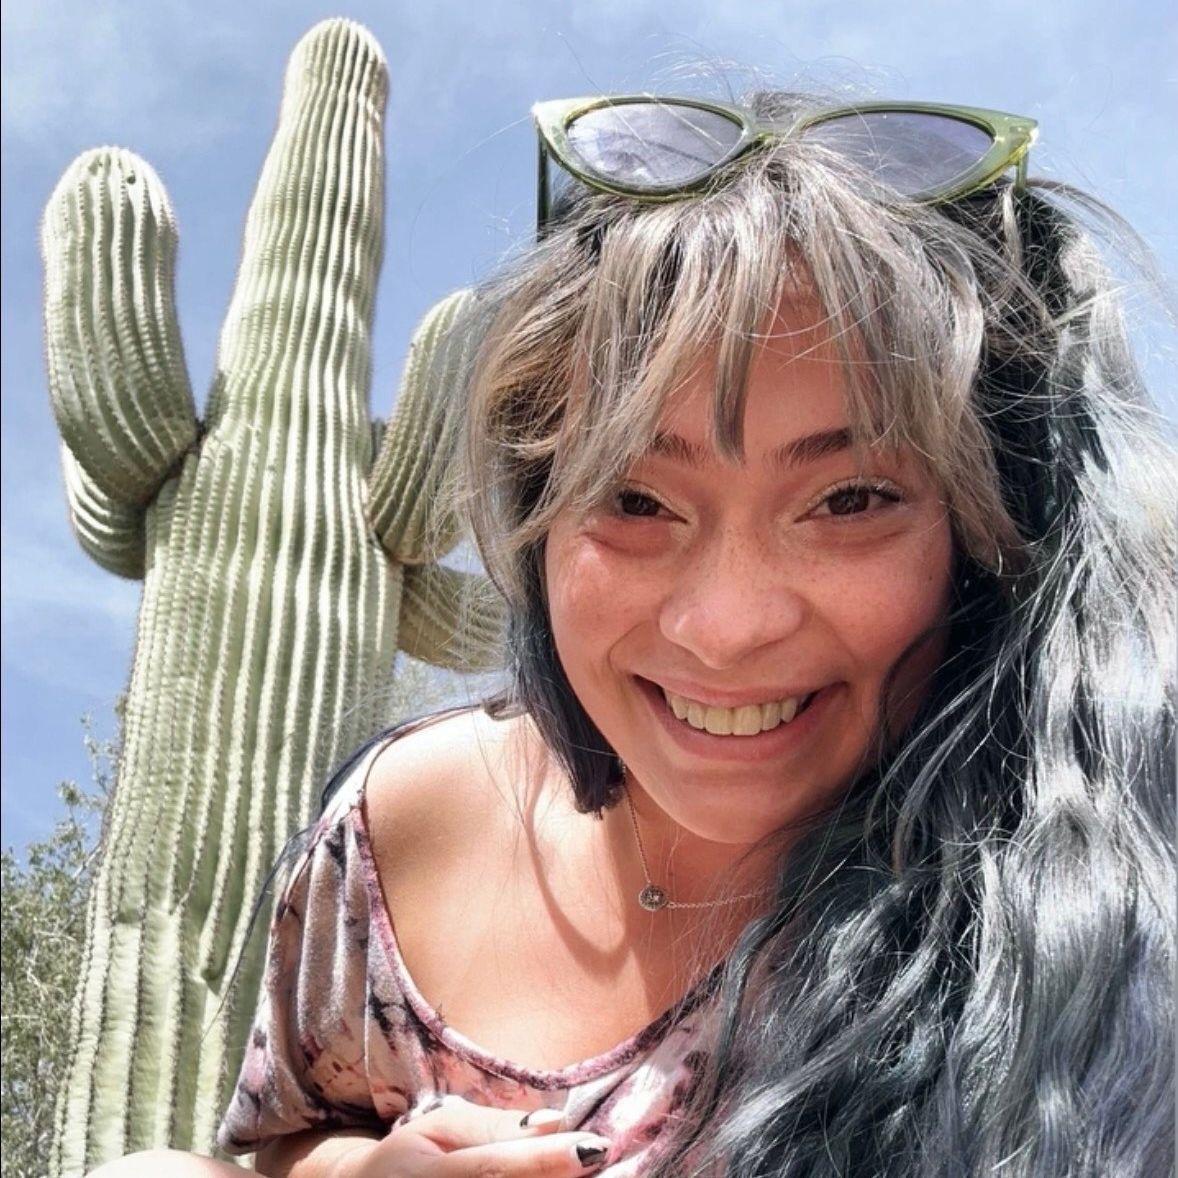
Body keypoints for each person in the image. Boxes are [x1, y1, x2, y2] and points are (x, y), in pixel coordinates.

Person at [90, 89, 1175, 1178]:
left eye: (849, 500)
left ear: (985, 530)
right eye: (635, 500)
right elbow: (292, 1129)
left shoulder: (1096, 916)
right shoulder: (401, 821)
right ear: (538, 520)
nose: (725, 627)